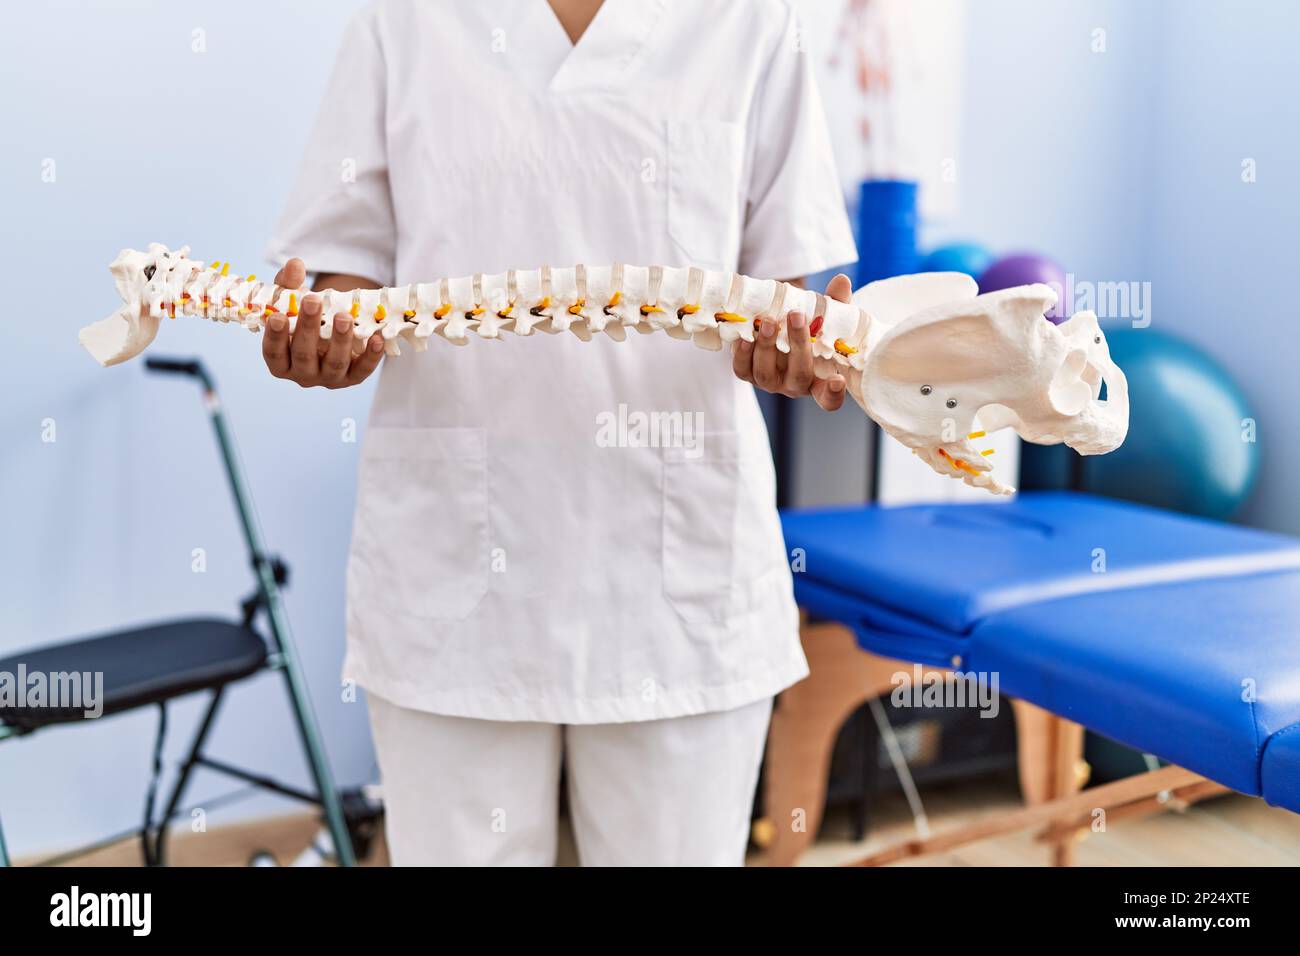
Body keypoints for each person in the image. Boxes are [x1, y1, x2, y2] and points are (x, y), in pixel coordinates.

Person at [264, 0, 857, 866]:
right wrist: (329, 341)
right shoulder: (403, 20)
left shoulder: (753, 19)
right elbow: (348, 281)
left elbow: (785, 291)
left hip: (675, 584)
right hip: (456, 577)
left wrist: (803, 353)